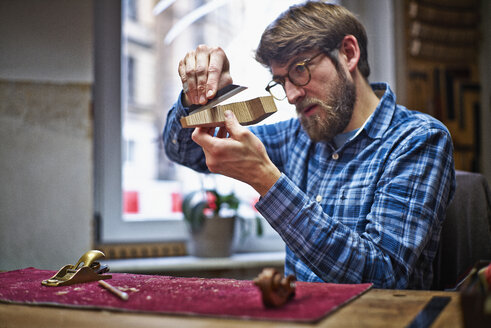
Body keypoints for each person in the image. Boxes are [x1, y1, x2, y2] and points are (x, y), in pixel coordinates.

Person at [163, 1, 455, 289]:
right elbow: (184, 151)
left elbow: (384, 275)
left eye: (300, 70)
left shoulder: (418, 140)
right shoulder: (299, 135)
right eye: (280, 81)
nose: (290, 95)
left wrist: (267, 181)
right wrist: (199, 98)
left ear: (348, 54)